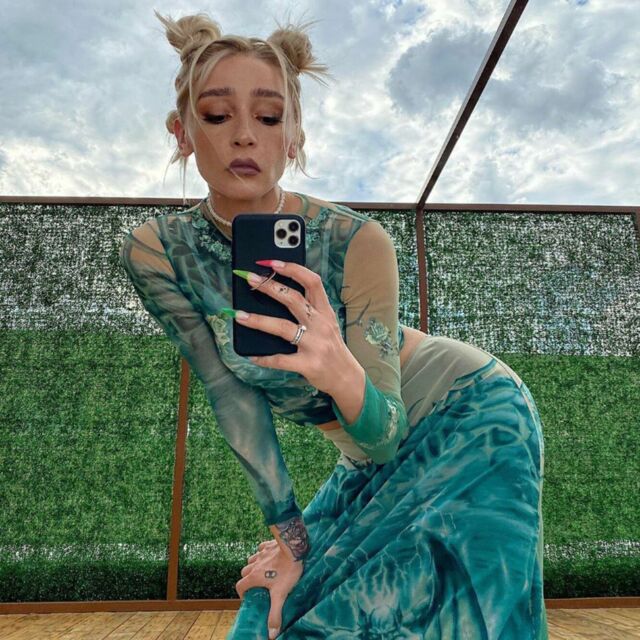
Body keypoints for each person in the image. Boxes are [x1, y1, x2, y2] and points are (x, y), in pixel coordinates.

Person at [119, 10, 548, 640]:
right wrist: (290, 540)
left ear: (293, 139)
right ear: (182, 132)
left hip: (470, 413)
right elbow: (229, 393)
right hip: (363, 455)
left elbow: (385, 434)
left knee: (420, 612)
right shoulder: (158, 251)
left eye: (270, 118)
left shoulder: (357, 240)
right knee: (270, 612)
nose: (245, 136)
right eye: (217, 115)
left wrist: (338, 368)